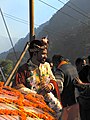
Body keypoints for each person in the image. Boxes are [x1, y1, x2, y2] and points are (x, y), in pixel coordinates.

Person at [12, 38, 62, 119]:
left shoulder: (46, 66)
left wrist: (51, 85)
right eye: (43, 54)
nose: (45, 56)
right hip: (32, 104)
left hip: (51, 103)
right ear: (34, 54)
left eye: (46, 54)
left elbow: (53, 80)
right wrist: (35, 95)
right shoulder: (24, 69)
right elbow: (18, 87)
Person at [52, 54, 90, 120]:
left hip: (65, 105)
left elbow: (58, 89)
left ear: (56, 62)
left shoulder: (60, 70)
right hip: (75, 102)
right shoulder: (73, 68)